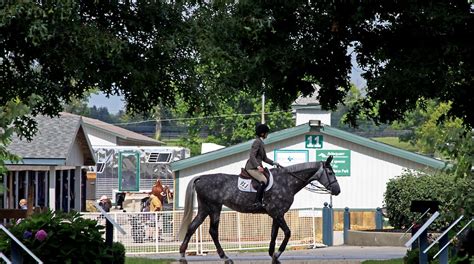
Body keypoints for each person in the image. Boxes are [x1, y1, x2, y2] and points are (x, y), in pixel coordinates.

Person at [245, 124, 280, 207]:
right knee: (263, 180)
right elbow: (252, 156)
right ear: (262, 134)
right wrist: (257, 166)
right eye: (266, 133)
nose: (267, 134)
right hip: (251, 167)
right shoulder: (257, 142)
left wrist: (274, 163)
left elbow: (264, 158)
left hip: (257, 167)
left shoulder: (261, 142)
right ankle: (257, 201)